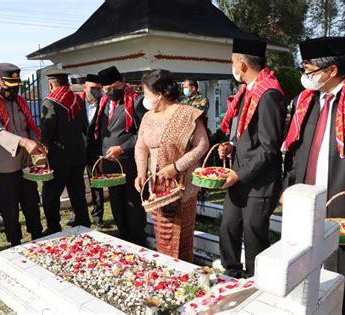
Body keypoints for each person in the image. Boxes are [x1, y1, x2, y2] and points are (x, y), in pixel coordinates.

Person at [282, 36, 345, 314]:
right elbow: (294, 148)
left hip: (343, 194)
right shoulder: (306, 100)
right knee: (305, 263)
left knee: (342, 268)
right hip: (306, 196)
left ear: (331, 70)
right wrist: (288, 186)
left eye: (308, 70)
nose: (305, 76)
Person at [218, 38, 286, 278]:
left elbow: (269, 147)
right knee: (228, 226)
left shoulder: (268, 95)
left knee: (254, 232)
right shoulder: (245, 92)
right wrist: (230, 146)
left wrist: (240, 173)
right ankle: (231, 272)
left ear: (243, 65)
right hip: (239, 176)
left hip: (259, 181)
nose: (232, 67)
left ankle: (257, 280)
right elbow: (243, 135)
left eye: (233, 62)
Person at [135, 69, 209, 262]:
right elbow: (141, 146)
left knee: (181, 237)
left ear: (159, 95)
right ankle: (167, 270)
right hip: (157, 188)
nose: (144, 98)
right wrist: (141, 171)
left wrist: (176, 167)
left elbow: (202, 145)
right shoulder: (148, 117)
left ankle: (184, 275)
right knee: (163, 234)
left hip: (182, 189)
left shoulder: (188, 114)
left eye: (146, 93)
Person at [0, 63, 44, 247]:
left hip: (25, 163)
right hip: (4, 166)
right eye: (9, 86)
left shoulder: (20, 102)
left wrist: (35, 140)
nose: (13, 90)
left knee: (31, 201)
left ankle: (38, 236)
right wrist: (24, 142)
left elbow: (30, 126)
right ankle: (15, 243)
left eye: (16, 86)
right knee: (9, 208)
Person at [95, 66, 147, 246]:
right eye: (107, 89)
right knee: (115, 201)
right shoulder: (102, 104)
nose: (111, 92)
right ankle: (123, 236)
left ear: (123, 82)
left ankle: (138, 239)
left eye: (115, 87)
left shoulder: (136, 102)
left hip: (130, 162)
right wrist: (100, 158)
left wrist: (123, 148)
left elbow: (143, 133)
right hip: (109, 163)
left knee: (133, 202)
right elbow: (100, 133)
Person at [40, 68, 91, 236]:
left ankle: (54, 226)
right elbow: (84, 126)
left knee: (50, 194)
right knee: (77, 191)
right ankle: (83, 222)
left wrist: (43, 143)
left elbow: (47, 131)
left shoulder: (50, 102)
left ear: (51, 84)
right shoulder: (76, 99)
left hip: (58, 156)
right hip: (78, 153)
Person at [76, 74, 107, 228]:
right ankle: (77, 213)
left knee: (96, 183)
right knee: (76, 184)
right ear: (85, 88)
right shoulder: (76, 102)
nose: (95, 91)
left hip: (96, 150)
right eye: (92, 88)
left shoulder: (105, 104)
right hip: (78, 149)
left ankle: (98, 215)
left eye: (98, 88)